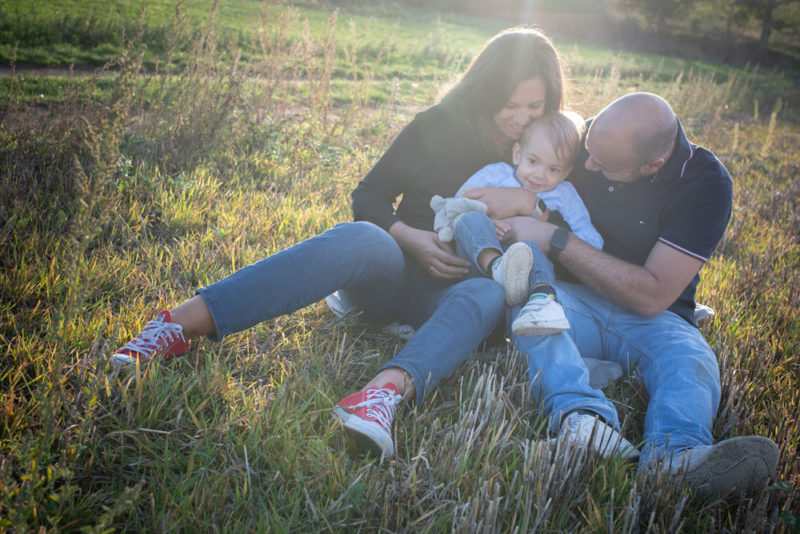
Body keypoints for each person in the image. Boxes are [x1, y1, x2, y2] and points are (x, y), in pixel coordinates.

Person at [111, 27, 566, 458]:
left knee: (488, 290)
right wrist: (409, 237)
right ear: (486, 89)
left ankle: (379, 398)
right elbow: (369, 193)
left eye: (535, 106)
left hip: (456, 296)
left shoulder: (550, 152)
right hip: (393, 274)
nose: (522, 117)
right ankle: (177, 326)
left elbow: (571, 227)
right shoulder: (439, 125)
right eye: (512, 104)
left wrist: (528, 200)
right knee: (361, 237)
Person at [492, 92, 779, 498]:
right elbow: (526, 167)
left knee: (691, 359)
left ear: (653, 165)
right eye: (588, 152)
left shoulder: (705, 184)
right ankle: (583, 422)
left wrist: (556, 238)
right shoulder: (591, 141)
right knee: (530, 307)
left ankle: (675, 459)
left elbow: (651, 296)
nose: (586, 166)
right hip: (569, 296)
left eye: (602, 165)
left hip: (653, 318)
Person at [444, 111, 604, 337]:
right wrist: (490, 220)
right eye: (533, 161)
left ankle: (542, 300)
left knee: (531, 248)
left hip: (527, 277)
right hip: (480, 265)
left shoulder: (565, 194)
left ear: (567, 172)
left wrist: (548, 233)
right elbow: (457, 204)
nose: (539, 175)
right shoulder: (496, 174)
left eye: (553, 169)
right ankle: (499, 269)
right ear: (517, 153)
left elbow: (592, 241)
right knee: (471, 219)